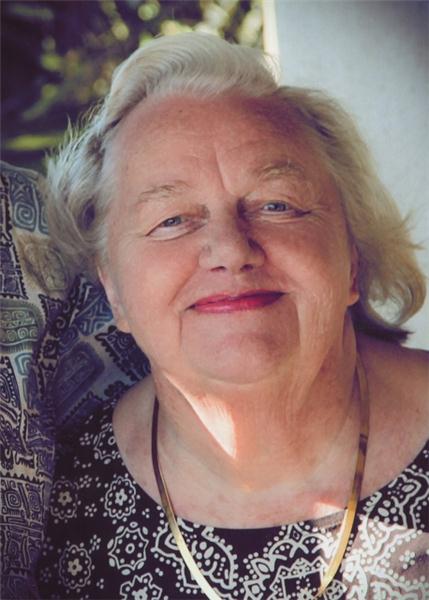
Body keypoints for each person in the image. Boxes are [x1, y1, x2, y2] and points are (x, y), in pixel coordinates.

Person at [35, 33, 428, 599]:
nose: (230, 249)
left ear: (352, 257)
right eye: (172, 219)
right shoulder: (56, 508)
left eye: (277, 204)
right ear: (114, 290)